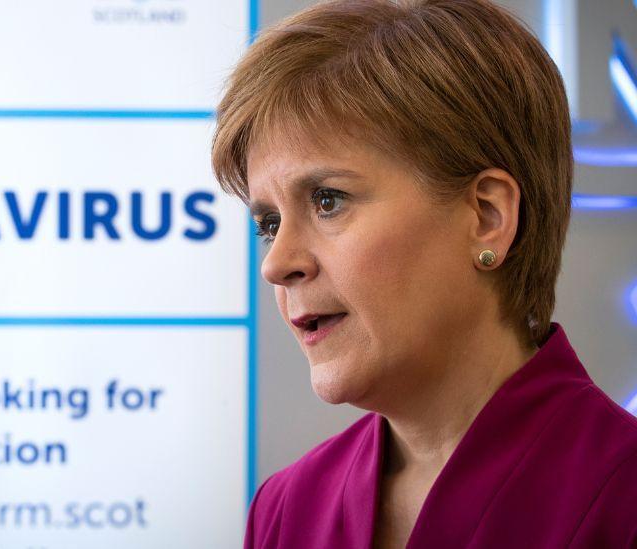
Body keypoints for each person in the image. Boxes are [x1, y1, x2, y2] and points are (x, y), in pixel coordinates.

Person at [211, 0, 637, 547]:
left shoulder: (623, 498)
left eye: (327, 200)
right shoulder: (286, 509)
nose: (276, 263)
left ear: (487, 216)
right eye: (269, 223)